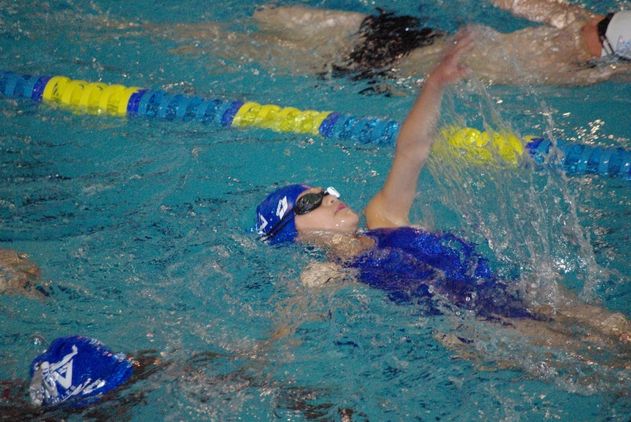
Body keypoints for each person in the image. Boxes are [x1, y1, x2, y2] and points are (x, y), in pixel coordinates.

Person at [254, 32, 631, 367]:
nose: (328, 199)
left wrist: (434, 84)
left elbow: (412, 151)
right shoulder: (328, 272)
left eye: (325, 192)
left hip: (513, 291)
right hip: (487, 328)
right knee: (607, 367)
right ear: (294, 235)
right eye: (309, 203)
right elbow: (288, 324)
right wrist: (258, 359)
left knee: (616, 327)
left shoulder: (384, 218)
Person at [128, 1, 631, 86]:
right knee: (254, 35)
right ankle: (136, 30)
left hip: (409, 39)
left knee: (258, 26)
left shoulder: (571, 26)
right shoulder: (574, 65)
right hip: (408, 54)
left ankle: (135, 30)